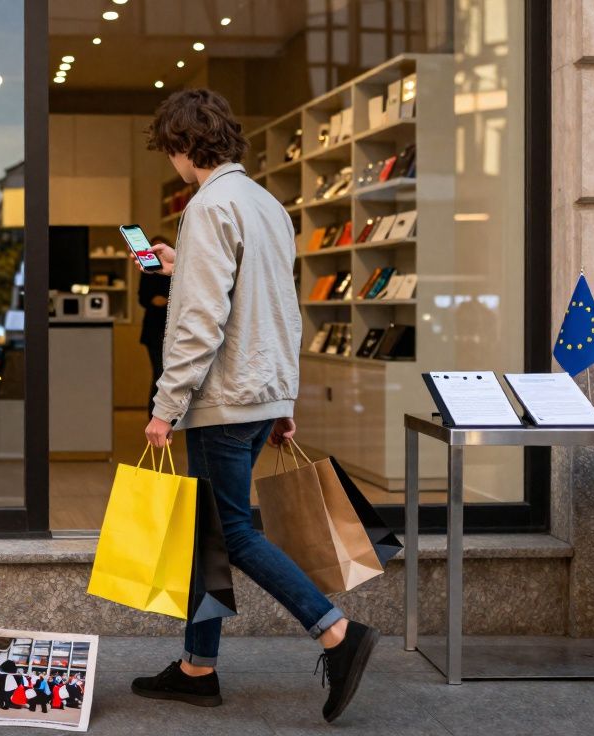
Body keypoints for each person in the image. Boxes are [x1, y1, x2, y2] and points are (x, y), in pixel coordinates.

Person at [133, 88, 379, 724]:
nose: (173, 163)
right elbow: (277, 308)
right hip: (259, 391)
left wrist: (167, 403)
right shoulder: (267, 204)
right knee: (207, 533)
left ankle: (335, 631)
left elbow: (199, 321)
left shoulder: (207, 205)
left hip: (223, 396)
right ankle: (197, 667)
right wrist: (284, 397)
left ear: (186, 146)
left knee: (232, 531)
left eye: (171, 151)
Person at [137, 235, 172, 416]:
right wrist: (153, 301)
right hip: (153, 329)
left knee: (168, 374)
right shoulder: (147, 271)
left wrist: (168, 301)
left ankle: (166, 416)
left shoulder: (175, 271)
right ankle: (155, 416)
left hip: (172, 330)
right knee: (159, 373)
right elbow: (142, 298)